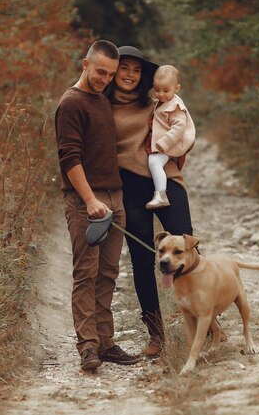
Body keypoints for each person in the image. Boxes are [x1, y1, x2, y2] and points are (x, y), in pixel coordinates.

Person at [55, 40, 141, 371]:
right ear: (85, 64)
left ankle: (106, 343)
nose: (105, 78)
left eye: (110, 74)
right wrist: (90, 199)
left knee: (108, 274)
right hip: (85, 202)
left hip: (114, 197)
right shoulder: (71, 103)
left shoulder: (101, 101)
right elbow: (69, 157)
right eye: (100, 71)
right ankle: (87, 347)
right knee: (86, 274)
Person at [105, 46, 194, 357]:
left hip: (166, 183)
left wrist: (176, 151)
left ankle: (209, 324)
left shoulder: (156, 100)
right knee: (143, 262)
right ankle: (157, 336)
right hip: (130, 187)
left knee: (189, 250)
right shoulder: (102, 105)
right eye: (124, 68)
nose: (130, 74)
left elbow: (183, 127)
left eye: (136, 69)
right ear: (113, 71)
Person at [145, 65, 196, 209]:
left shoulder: (175, 107)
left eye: (166, 90)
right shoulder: (165, 101)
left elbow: (179, 127)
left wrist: (165, 143)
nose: (161, 94)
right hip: (165, 142)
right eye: (157, 90)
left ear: (177, 88)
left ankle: (161, 194)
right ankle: (160, 193)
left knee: (154, 163)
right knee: (155, 163)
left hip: (169, 143)